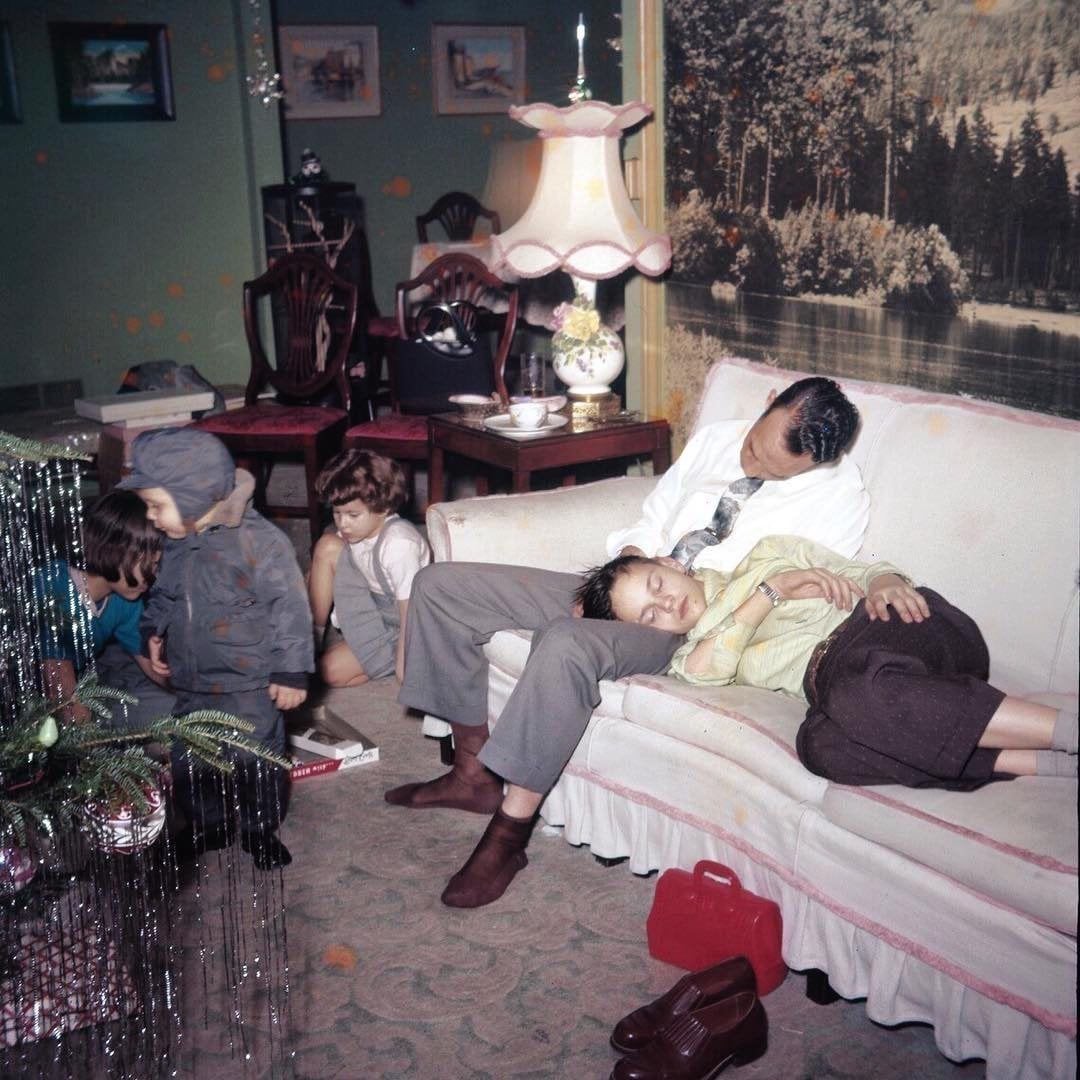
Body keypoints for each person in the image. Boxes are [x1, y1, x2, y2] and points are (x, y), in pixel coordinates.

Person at [388, 377, 871, 908]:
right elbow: (653, 513)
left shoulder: (841, 497)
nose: (752, 466)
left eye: (774, 473)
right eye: (754, 449)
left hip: (694, 624)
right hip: (643, 584)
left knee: (568, 642)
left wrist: (668, 605)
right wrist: (619, 583)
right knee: (441, 586)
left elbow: (799, 593)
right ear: (766, 405)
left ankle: (509, 833)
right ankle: (471, 774)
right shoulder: (716, 439)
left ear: (814, 464)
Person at [577, 535, 1079, 788]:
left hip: (901, 624)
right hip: (849, 687)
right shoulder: (691, 657)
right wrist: (772, 594)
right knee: (820, 744)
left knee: (854, 696)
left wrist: (884, 582)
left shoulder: (768, 551)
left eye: (658, 585)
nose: (666, 605)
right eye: (650, 615)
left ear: (668, 563)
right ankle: (1035, 762)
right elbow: (712, 669)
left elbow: (866, 571)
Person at [119, 427, 314, 870]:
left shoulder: (259, 542)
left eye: (156, 505)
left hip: (249, 678)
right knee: (193, 758)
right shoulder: (177, 541)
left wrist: (291, 672)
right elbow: (165, 593)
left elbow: (290, 607)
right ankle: (210, 824)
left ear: (193, 494)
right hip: (192, 678)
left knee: (256, 757)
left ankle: (259, 828)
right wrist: (153, 629)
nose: (150, 516)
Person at [38, 489, 173, 725]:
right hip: (26, 693)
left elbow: (153, 668)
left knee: (167, 707)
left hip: (80, 680)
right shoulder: (54, 585)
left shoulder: (125, 600)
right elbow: (57, 675)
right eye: (151, 565)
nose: (156, 575)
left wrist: (195, 692)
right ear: (116, 551)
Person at [308, 449, 430, 687]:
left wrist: (405, 665)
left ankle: (400, 658)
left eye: (353, 515)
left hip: (401, 622)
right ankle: (310, 639)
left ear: (383, 509)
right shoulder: (357, 528)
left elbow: (410, 612)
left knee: (329, 671)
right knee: (327, 546)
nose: (343, 524)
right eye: (337, 513)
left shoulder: (399, 545)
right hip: (370, 602)